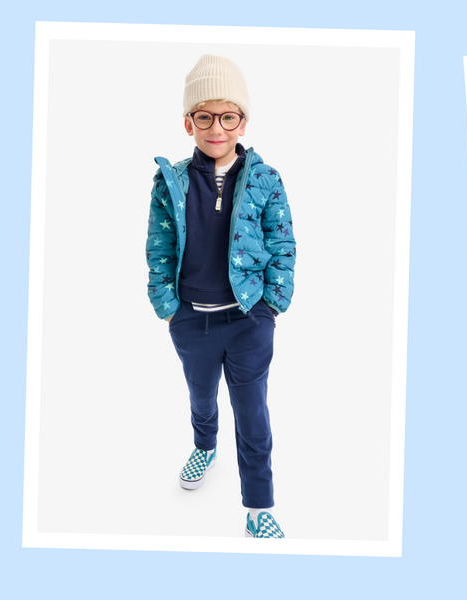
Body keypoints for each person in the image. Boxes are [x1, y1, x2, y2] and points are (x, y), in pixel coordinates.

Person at [146, 54, 295, 537]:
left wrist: (273, 303)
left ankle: (259, 505)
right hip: (192, 321)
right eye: (205, 117)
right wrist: (167, 306)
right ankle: (204, 444)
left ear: (242, 121)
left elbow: (282, 243)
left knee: (252, 412)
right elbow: (160, 246)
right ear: (188, 122)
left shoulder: (265, 180)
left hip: (249, 320)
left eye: (227, 116)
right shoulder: (171, 181)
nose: (217, 128)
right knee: (202, 395)